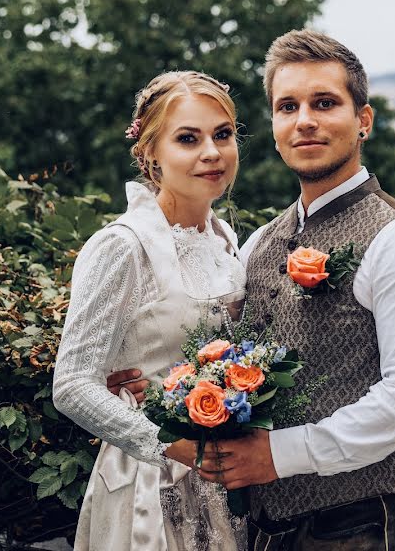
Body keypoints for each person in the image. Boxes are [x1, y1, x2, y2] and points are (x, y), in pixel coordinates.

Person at [115, 30, 395, 549]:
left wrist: (280, 455)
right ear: (273, 126)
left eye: (324, 103)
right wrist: (151, 389)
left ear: (363, 120)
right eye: (287, 106)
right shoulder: (257, 244)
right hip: (262, 530)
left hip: (361, 525)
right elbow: (210, 347)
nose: (305, 121)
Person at [52, 70, 248, 551]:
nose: (211, 152)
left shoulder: (226, 241)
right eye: (188, 138)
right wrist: (168, 444)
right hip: (148, 484)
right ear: (150, 153)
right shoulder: (123, 247)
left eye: (222, 135)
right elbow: (73, 384)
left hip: (227, 481)